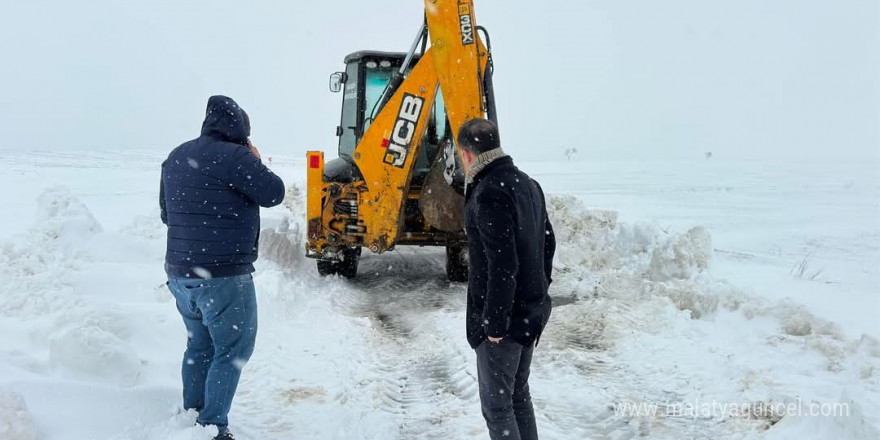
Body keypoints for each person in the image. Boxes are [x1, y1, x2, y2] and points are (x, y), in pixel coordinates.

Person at [160, 95, 285, 440]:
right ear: (242, 129)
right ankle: (213, 426)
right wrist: (256, 159)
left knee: (199, 345)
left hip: (180, 274)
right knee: (232, 350)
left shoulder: (176, 156)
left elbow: (166, 214)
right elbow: (274, 192)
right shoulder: (237, 157)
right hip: (223, 276)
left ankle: (192, 414)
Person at [458, 118, 556, 440]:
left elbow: (503, 264)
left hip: (505, 323)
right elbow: (547, 242)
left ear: (468, 154)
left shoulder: (488, 192)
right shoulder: (528, 184)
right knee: (517, 394)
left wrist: (495, 324)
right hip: (529, 314)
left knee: (498, 407)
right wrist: (538, 293)